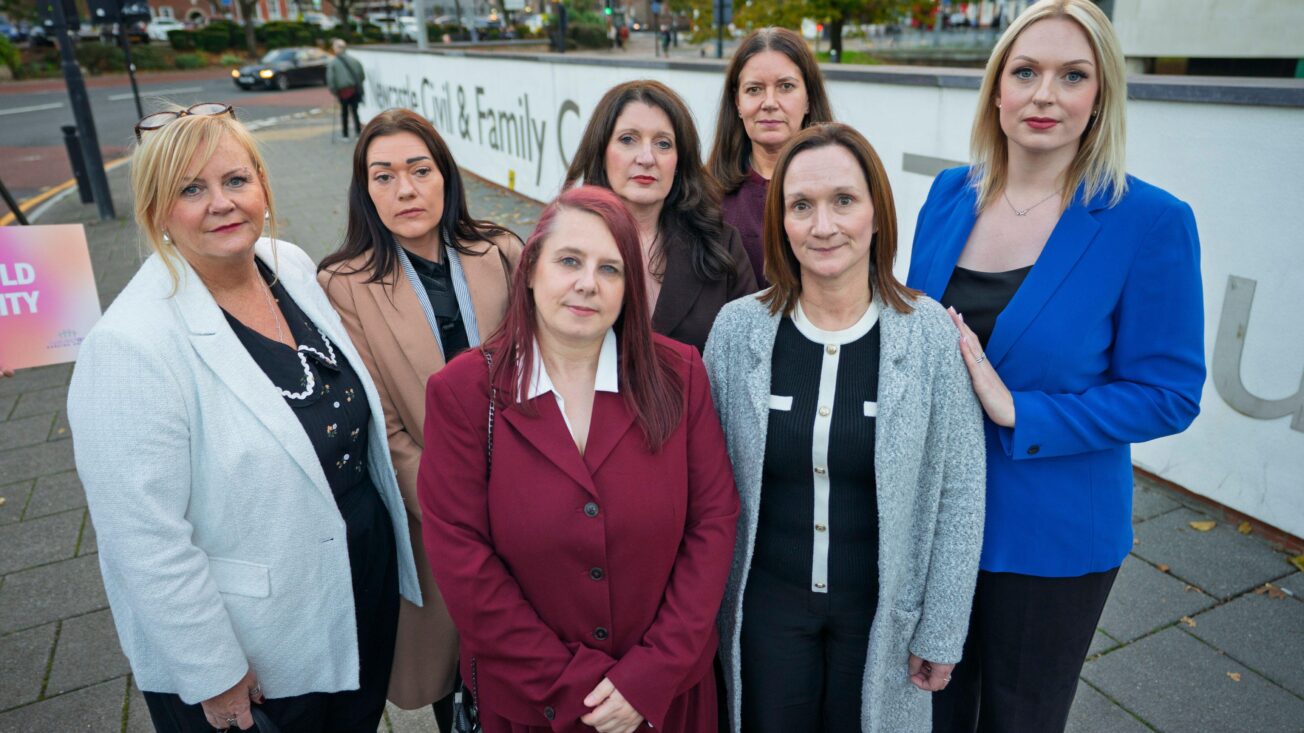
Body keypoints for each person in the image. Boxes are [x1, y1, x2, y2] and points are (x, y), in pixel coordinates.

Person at [67, 107, 419, 732]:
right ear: (156, 209)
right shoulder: (129, 345)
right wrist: (213, 671)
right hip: (258, 645)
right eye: (190, 189)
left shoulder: (290, 264)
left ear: (261, 184)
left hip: (355, 588)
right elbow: (143, 540)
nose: (221, 204)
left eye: (235, 180)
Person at [907, 2, 1205, 730]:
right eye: (1026, 72)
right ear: (997, 90)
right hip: (939, 515)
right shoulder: (951, 194)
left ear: (1100, 96)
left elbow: (1170, 394)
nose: (1045, 94)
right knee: (929, 709)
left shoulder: (1150, 221)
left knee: (1019, 716)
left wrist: (1020, 410)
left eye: (1073, 75)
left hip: (1053, 532)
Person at [419, 185, 741, 733]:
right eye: (570, 260)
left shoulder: (679, 375)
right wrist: (572, 687)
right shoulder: (464, 391)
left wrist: (648, 676)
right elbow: (462, 559)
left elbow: (713, 525)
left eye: (610, 269)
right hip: (530, 706)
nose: (588, 283)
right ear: (530, 271)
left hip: (665, 701)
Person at [705, 123, 986, 733]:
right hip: (767, 607)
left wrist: (941, 626)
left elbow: (961, 492)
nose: (823, 225)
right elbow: (704, 486)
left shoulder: (931, 336)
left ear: (878, 214)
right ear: (781, 222)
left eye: (843, 201)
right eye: (801, 206)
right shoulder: (736, 332)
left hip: (883, 612)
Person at [318, 107, 521, 729]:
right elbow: (381, 424)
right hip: (432, 513)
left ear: (445, 176)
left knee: (534, 663)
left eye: (418, 170)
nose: (404, 190)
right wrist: (455, 505)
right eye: (383, 176)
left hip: (529, 500)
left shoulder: (503, 251)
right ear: (365, 191)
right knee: (455, 680)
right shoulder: (342, 284)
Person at [564, 80, 757, 351]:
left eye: (663, 144)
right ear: (602, 151)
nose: (646, 157)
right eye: (627, 139)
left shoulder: (721, 245)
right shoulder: (565, 246)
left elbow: (751, 356)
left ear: (679, 161)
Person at [707, 27, 834, 286]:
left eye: (786, 87)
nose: (769, 102)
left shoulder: (844, 191)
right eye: (754, 89)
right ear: (737, 103)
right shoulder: (704, 197)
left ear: (808, 99)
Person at [327, 39, 366, 139]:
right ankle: (358, 132)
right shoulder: (354, 60)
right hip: (354, 89)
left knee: (344, 113)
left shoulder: (333, 63)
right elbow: (361, 75)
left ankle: (345, 135)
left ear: (337, 48)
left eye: (334, 47)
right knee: (355, 111)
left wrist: (334, 91)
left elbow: (330, 79)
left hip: (342, 91)